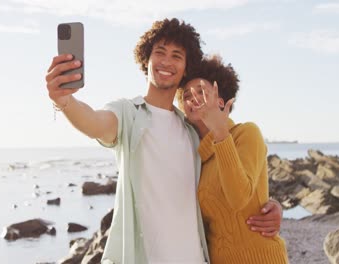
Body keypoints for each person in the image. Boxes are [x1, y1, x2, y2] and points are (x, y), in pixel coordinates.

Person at [46, 18, 282, 264]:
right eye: (160, 52)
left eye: (177, 56)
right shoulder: (127, 114)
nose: (167, 61)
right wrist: (64, 100)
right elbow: (93, 122)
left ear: (185, 67)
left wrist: (270, 204)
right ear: (146, 60)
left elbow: (227, 189)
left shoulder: (191, 131)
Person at [179, 55, 289, 263]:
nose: (192, 98)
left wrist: (220, 133)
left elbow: (239, 198)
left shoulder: (246, 133)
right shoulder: (193, 156)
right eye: (186, 95)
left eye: (201, 92)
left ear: (220, 100)